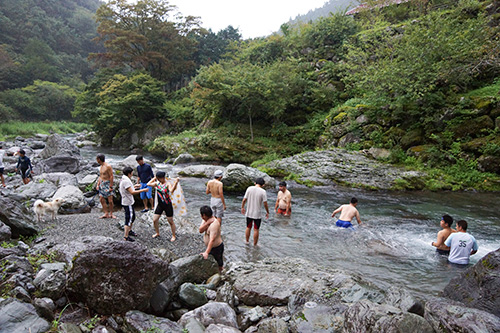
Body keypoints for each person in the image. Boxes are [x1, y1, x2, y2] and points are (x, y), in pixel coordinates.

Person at [147, 171, 179, 241]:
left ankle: (173, 235)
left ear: (162, 178)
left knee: (170, 221)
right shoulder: (157, 183)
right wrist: (154, 178)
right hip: (160, 205)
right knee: (155, 220)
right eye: (157, 178)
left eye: (159, 178)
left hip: (167, 205)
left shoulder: (168, 184)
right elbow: (148, 184)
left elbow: (171, 190)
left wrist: (176, 183)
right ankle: (157, 233)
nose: (158, 180)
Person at [119, 167, 149, 242]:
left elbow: (128, 189)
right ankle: (126, 236)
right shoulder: (126, 181)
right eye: (132, 172)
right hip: (127, 202)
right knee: (129, 219)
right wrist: (143, 190)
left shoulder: (124, 179)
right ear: (129, 173)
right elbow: (132, 192)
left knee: (132, 217)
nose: (132, 174)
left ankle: (129, 231)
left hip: (128, 201)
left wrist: (135, 186)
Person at [241, 177, 269, 246]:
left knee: (248, 227)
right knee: (256, 229)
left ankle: (247, 241)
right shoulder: (263, 191)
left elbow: (244, 200)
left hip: (249, 212)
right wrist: (267, 212)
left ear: (255, 183)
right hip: (257, 214)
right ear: (263, 185)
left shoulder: (249, 188)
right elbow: (265, 203)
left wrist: (242, 207)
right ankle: (255, 245)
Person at [199, 206, 224, 272]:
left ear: (203, 215)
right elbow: (200, 230)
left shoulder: (214, 224)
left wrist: (206, 252)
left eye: (201, 215)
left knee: (219, 265)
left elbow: (212, 239)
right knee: (211, 264)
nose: (201, 217)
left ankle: (222, 276)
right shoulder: (205, 220)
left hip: (217, 247)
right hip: (210, 247)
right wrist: (207, 223)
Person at [96, 154, 116, 219]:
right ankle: (106, 213)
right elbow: (100, 176)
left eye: (97, 159)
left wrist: (111, 186)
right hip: (102, 183)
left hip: (107, 183)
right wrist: (98, 184)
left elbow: (111, 176)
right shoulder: (101, 166)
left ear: (99, 159)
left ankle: (111, 214)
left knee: (110, 200)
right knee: (101, 199)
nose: (96, 160)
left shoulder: (108, 166)